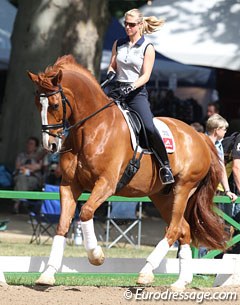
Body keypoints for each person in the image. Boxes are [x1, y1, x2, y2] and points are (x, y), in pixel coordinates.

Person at [104, 8, 174, 184]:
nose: (127, 27)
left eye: (131, 24)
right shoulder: (118, 43)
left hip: (136, 93)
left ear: (140, 25)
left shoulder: (147, 47)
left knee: (149, 127)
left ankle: (165, 166)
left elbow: (146, 76)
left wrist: (131, 87)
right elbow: (112, 65)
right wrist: (111, 73)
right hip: (116, 90)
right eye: (126, 24)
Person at [206, 114, 238, 206]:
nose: (226, 132)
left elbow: (221, 167)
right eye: (224, 129)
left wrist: (227, 191)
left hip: (213, 189)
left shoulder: (219, 145)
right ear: (217, 130)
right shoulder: (202, 142)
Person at [12, 137, 43, 213]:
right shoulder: (21, 155)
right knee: (21, 179)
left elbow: (38, 167)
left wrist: (24, 166)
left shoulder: (39, 157)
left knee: (21, 181)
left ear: (35, 147)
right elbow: (17, 167)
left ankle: (17, 203)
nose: (29, 145)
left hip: (33, 178)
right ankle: (23, 202)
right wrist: (30, 167)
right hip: (20, 176)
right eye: (28, 143)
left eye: (31, 144)